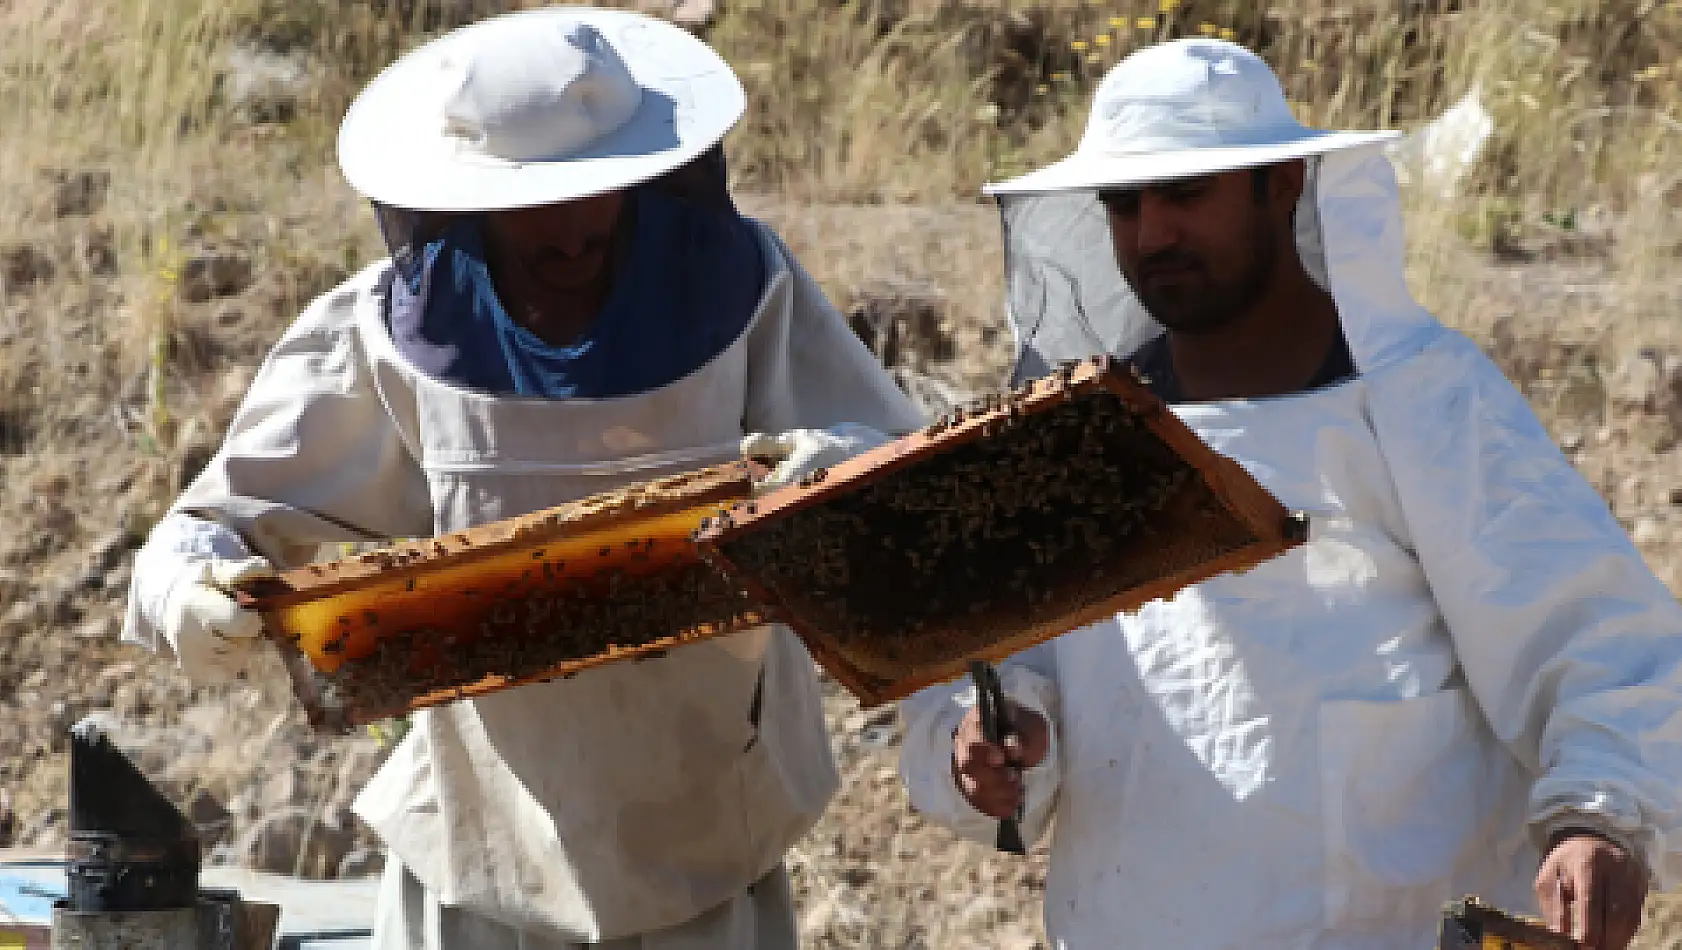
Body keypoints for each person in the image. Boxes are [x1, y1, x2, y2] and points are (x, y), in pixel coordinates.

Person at [120, 7, 925, 949]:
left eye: (594, 195)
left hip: (709, 844)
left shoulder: (747, 290)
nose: (568, 235)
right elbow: (206, 529)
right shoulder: (382, 331)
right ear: (464, 196)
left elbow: (907, 486)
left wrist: (834, 472)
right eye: (530, 207)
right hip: (477, 863)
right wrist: (195, 591)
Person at [897, 37, 1682, 950]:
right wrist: (992, 746)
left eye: (1187, 195)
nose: (1152, 235)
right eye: (1125, 203)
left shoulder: (1422, 400)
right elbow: (1005, 678)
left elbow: (1594, 640)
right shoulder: (1082, 440)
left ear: (1283, 185)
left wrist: (1599, 817)